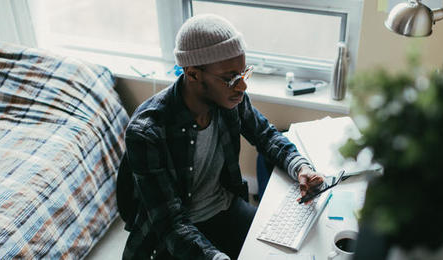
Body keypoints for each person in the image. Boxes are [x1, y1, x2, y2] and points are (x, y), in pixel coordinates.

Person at [120, 14, 325, 260]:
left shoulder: (231, 100)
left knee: (282, 252)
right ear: (193, 74)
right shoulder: (146, 131)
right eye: (230, 79)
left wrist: (300, 167)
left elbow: (266, 135)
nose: (242, 87)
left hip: (223, 208)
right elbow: (170, 223)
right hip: (171, 234)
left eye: (243, 74)